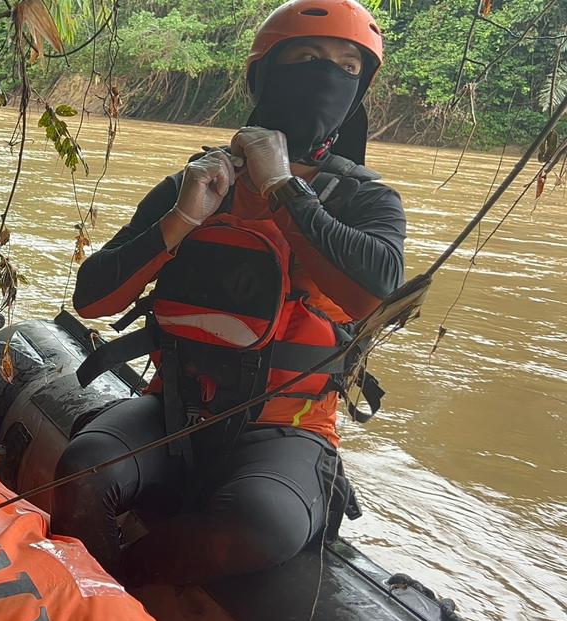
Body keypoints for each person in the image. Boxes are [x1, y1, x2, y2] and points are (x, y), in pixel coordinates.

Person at [58, 0, 406, 585]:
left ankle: (127, 589)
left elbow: (374, 295)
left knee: (258, 524)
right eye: (308, 58)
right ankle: (92, 601)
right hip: (173, 409)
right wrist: (180, 220)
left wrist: (283, 189)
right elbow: (93, 300)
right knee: (83, 470)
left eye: (348, 67)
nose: (327, 76)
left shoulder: (366, 200)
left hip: (290, 428)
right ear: (267, 74)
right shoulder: (196, 182)